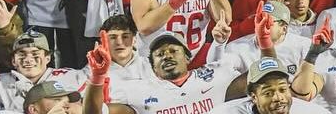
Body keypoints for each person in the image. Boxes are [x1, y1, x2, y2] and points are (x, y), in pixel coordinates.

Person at [82, 30, 250, 114]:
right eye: (160, 54)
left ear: (187, 57)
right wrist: (97, 76)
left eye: (173, 51)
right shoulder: (137, 91)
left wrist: (265, 45)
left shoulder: (216, 75)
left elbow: (267, 79)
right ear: (153, 66)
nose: (166, 56)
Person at [0, 32, 88, 112]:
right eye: (22, 54)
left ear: (47, 58)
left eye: (35, 54)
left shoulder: (70, 77)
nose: (28, 59)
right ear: (13, 60)